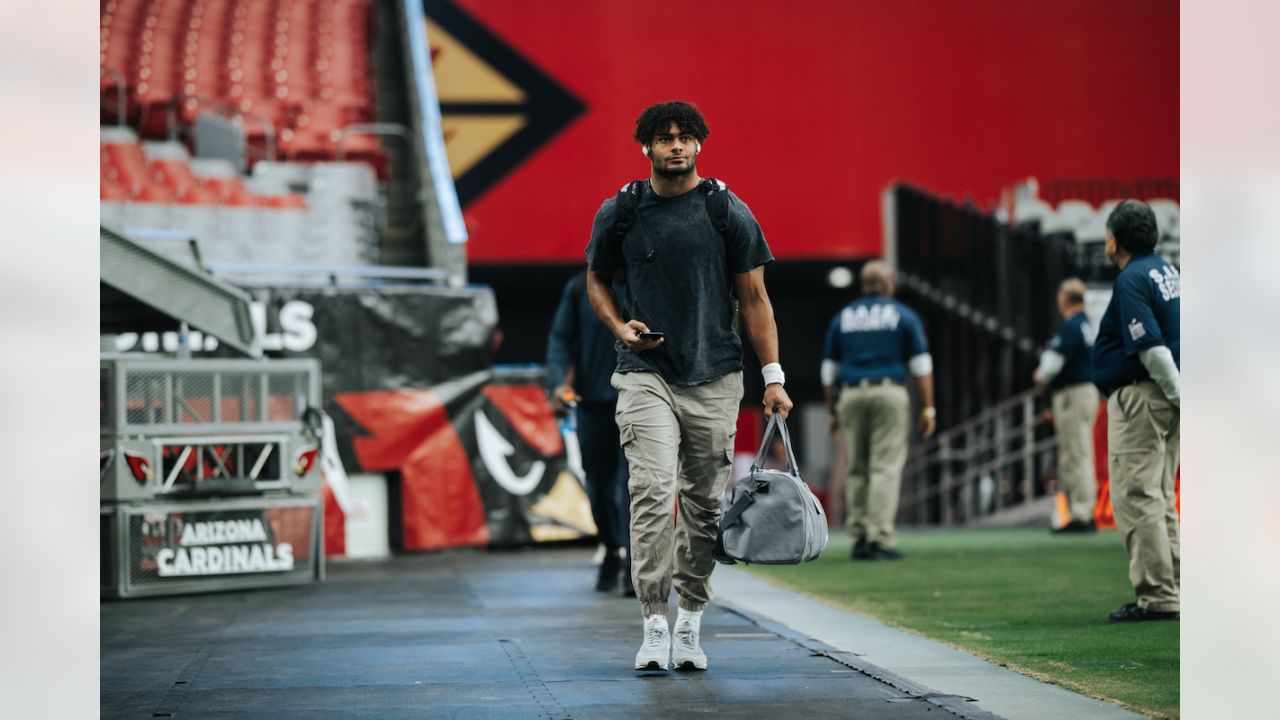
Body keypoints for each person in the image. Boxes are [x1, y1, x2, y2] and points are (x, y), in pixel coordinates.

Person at [585, 101, 792, 672]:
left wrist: (772, 378)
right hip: (643, 372)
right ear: (645, 148)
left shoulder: (727, 210)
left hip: (716, 375)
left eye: (685, 137)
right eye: (663, 138)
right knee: (652, 491)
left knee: (701, 506)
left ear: (700, 144)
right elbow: (596, 281)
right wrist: (618, 325)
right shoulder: (621, 211)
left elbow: (754, 300)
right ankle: (653, 621)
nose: (675, 146)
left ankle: (690, 621)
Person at [1091, 199, 1180, 623]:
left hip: (1144, 395)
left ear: (1115, 239)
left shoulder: (1132, 279)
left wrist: (1179, 395)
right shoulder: (1166, 271)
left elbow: (1151, 347)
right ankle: (1175, 586)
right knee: (1160, 496)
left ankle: (1158, 596)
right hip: (1165, 395)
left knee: (1138, 495)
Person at [820, 261, 935, 561]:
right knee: (884, 466)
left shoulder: (843, 318)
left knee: (857, 466)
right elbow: (921, 365)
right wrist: (929, 407)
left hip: (852, 395)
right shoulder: (902, 315)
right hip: (889, 392)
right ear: (888, 285)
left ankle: (858, 536)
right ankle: (879, 537)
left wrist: (833, 410)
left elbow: (828, 371)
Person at [546, 270, 633, 596]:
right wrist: (557, 383)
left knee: (633, 485)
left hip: (639, 401)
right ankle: (611, 548)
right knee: (597, 486)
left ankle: (633, 565)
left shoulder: (645, 278)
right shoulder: (579, 288)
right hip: (593, 403)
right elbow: (559, 338)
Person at [1033, 277, 1100, 533]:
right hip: (1088, 390)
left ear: (1064, 299)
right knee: (1082, 451)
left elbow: (1050, 366)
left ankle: (1081, 513)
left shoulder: (1072, 327)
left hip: (1073, 392)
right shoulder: (1087, 325)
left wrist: (1040, 376)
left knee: (1075, 453)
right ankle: (1084, 509)